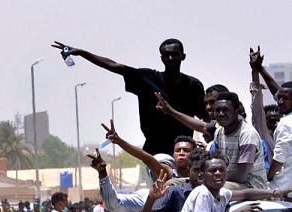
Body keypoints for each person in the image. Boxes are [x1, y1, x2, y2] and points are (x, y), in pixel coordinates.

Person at [52, 38, 205, 154]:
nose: (170, 59)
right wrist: (81, 53)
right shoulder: (147, 78)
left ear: (183, 56)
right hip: (154, 150)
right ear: (161, 58)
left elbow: (206, 119)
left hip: (184, 150)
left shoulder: (193, 85)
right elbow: (113, 65)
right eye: (166, 55)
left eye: (174, 55)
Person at [211, 91, 268, 190]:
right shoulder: (219, 132)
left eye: (225, 110)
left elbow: (241, 176)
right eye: (217, 110)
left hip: (252, 185)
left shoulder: (247, 134)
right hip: (228, 181)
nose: (220, 114)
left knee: (212, 188)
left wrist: (213, 178)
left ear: (236, 111)